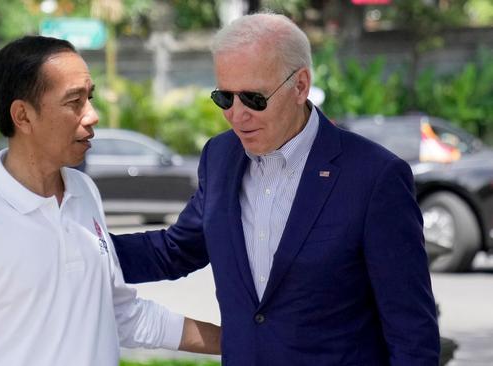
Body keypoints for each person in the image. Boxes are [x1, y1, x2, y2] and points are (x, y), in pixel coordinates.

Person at [111, 13, 440, 365]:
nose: (236, 115)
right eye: (224, 98)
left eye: (253, 98)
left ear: (300, 86)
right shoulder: (220, 157)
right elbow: (176, 250)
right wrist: (77, 248)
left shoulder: (375, 176)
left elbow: (411, 334)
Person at [0, 36, 220, 365]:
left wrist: (236, 340)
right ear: (22, 116)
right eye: (74, 102)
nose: (92, 115)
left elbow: (121, 314)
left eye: (89, 98)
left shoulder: (83, 191)